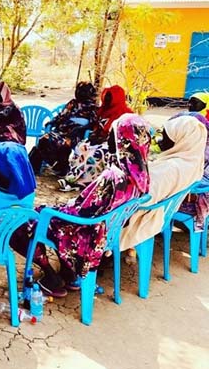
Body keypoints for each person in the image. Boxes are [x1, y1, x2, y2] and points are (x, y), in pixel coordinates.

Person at [12, 114, 151, 297]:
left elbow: (82, 214)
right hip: (107, 232)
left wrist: (54, 209)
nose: (109, 139)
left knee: (21, 224)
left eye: (113, 135)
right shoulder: (141, 175)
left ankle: (51, 276)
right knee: (52, 211)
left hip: (86, 235)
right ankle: (69, 274)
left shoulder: (114, 176)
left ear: (124, 141)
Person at [120, 114, 206, 251]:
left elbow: (143, 199)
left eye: (166, 135)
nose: (161, 140)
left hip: (144, 218)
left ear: (180, 140)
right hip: (161, 214)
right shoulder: (192, 162)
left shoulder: (170, 168)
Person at [60, 85, 133, 190]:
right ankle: (73, 176)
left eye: (109, 97)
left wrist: (105, 139)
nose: (107, 100)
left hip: (115, 145)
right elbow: (94, 125)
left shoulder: (125, 114)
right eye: (106, 97)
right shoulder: (102, 111)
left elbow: (124, 136)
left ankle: (83, 181)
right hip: (99, 140)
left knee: (96, 154)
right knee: (81, 147)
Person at [28, 81, 99, 176]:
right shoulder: (72, 103)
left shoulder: (93, 108)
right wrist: (51, 122)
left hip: (76, 135)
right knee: (43, 139)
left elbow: (92, 124)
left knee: (63, 144)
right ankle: (53, 165)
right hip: (60, 131)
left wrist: (76, 130)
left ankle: (60, 166)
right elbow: (61, 116)